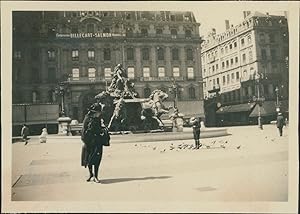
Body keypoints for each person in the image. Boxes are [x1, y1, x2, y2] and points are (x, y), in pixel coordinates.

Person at [81, 103, 108, 183]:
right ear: (94, 112)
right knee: (89, 159)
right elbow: (84, 130)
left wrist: (103, 129)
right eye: (98, 112)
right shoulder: (87, 118)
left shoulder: (98, 119)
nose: (99, 114)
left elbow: (99, 129)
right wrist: (85, 140)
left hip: (97, 142)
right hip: (89, 141)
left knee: (97, 160)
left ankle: (96, 176)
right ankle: (91, 174)